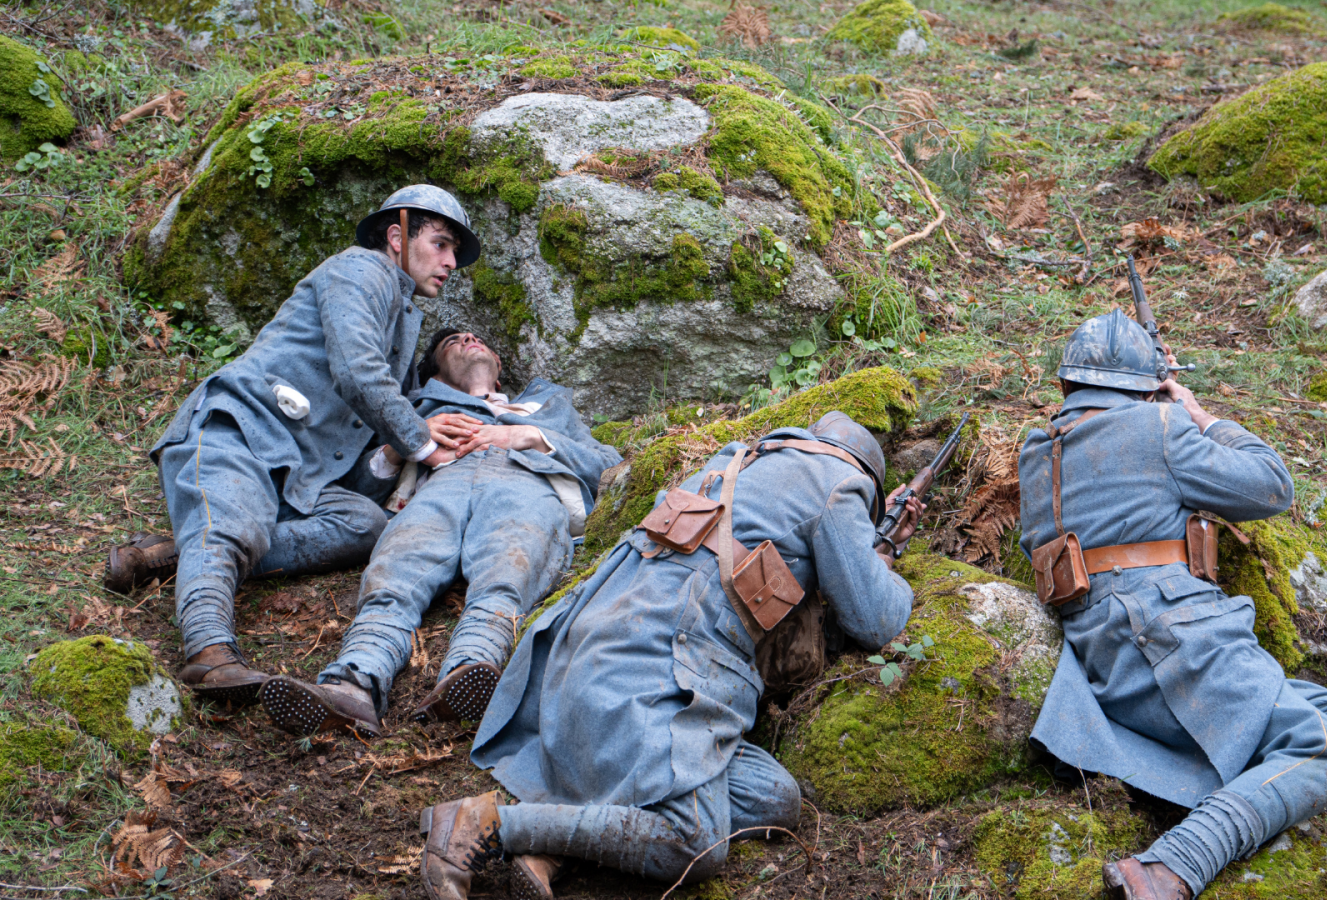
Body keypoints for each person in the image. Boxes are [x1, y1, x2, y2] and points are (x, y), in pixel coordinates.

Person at [412, 412, 927, 900]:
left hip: (587, 652)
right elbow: (877, 620)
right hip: (651, 672)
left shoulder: (739, 459)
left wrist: (870, 548)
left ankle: (558, 840)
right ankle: (487, 826)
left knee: (774, 798)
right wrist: (887, 557)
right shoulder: (841, 483)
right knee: (694, 842)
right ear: (866, 478)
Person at [1018, 310, 1327, 900]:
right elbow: (1272, 486)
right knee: (1324, 751)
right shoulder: (1157, 426)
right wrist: (1200, 416)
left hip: (1111, 655)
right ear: (1148, 387)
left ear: (1064, 387)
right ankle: (1167, 868)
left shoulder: (1036, 452)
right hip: (1177, 636)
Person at [114, 185, 490, 706]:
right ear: (398, 235)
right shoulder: (362, 270)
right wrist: (424, 444)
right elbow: (359, 374)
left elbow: (358, 453)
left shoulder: (405, 318)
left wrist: (396, 452)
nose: (451, 262)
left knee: (366, 524)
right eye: (442, 243)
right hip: (239, 430)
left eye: (455, 253)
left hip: (297, 476)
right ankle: (208, 652)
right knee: (233, 525)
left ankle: (181, 550)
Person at [258, 329, 620, 737]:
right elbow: (354, 483)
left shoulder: (549, 406)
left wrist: (533, 436)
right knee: (394, 575)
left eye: (478, 337)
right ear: (434, 375)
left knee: (509, 569)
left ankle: (471, 669)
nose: (468, 337)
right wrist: (404, 442)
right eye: (452, 342)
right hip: (437, 489)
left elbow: (610, 466)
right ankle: (351, 686)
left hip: (527, 485)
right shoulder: (410, 408)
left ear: (500, 372)